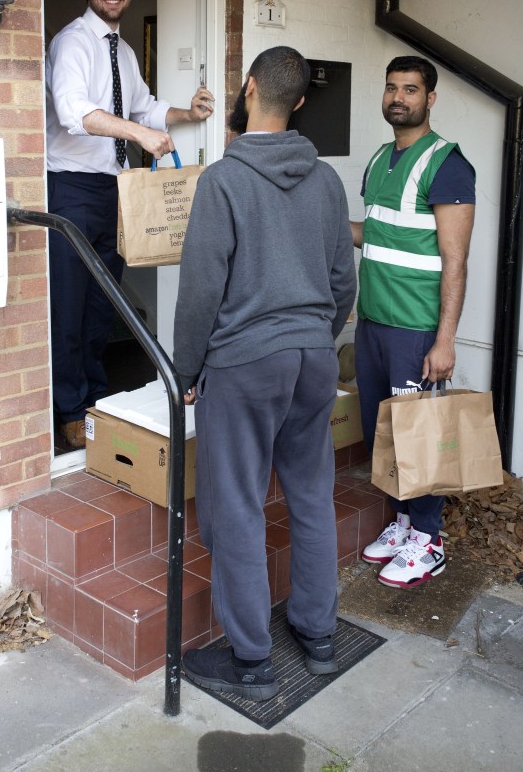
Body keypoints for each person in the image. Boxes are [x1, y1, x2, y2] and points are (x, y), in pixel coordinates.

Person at [173, 46, 356, 701]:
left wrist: (184, 369)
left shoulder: (223, 181)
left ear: (248, 89)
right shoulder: (327, 182)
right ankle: (318, 633)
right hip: (311, 359)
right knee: (309, 495)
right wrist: (314, 338)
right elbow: (343, 283)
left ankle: (251, 660)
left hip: (244, 366)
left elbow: (199, 291)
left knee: (239, 507)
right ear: (300, 101)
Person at [46, 0, 214, 450]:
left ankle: (95, 400)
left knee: (103, 304)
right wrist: (138, 137)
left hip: (115, 191)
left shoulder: (124, 51)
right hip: (71, 189)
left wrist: (188, 115)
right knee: (69, 308)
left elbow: (142, 107)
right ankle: (68, 411)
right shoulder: (73, 43)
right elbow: (73, 110)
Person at [350, 55, 475, 588]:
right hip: (373, 321)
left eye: (411, 89)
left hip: (416, 329)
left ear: (430, 99)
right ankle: (403, 524)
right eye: (392, 88)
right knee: (386, 434)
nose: (399, 97)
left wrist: (444, 340)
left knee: (421, 437)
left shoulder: (448, 163)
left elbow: (455, 260)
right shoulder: (380, 157)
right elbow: (374, 234)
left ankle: (429, 540)